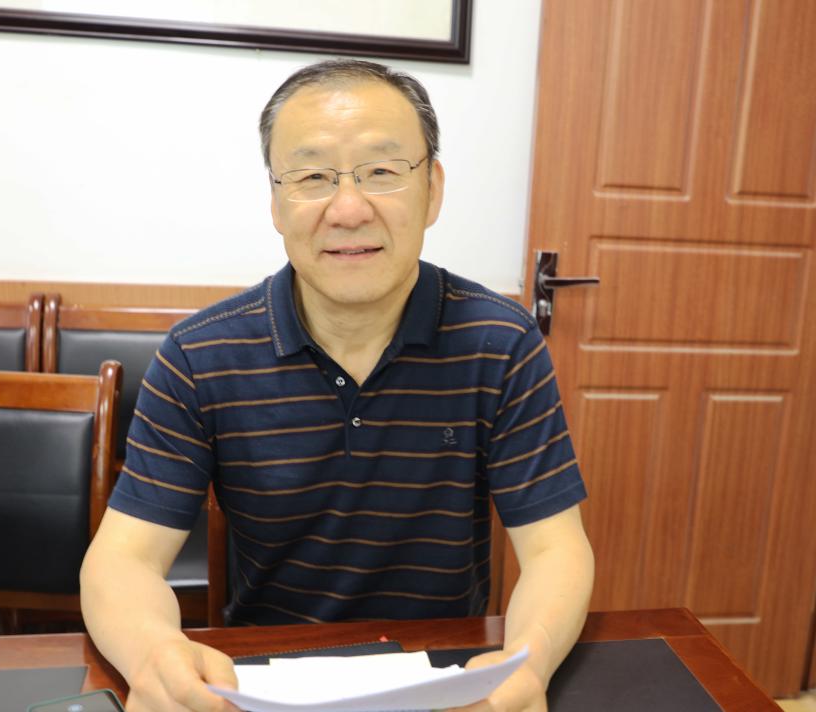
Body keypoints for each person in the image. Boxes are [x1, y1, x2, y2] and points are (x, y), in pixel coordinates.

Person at [81, 58, 594, 712]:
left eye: (382, 171)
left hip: (450, 683)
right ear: (275, 202)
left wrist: (530, 660)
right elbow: (122, 560)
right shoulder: (200, 355)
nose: (348, 209)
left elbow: (554, 550)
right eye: (312, 176)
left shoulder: (502, 343)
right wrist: (154, 654)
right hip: (258, 685)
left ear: (433, 190)